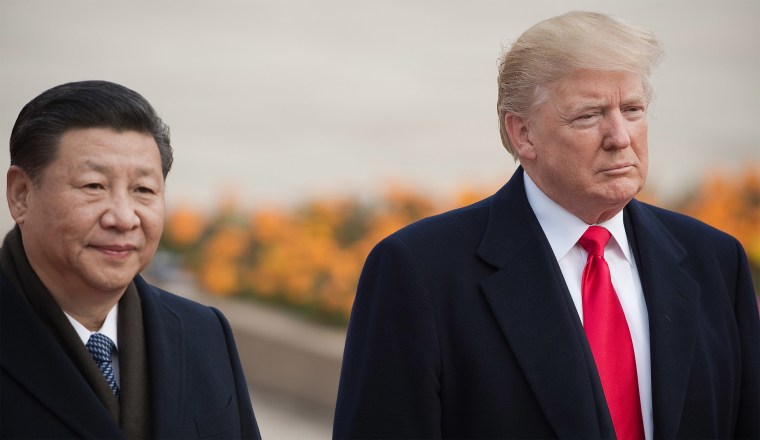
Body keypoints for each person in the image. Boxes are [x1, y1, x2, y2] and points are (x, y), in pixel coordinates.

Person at [334, 11, 759, 439]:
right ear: (523, 134)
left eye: (632, 110)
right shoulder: (419, 271)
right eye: (589, 116)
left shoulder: (716, 260)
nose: (619, 136)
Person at [0, 80, 261, 439]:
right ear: (21, 195)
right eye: (94, 186)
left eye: (143, 190)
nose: (123, 217)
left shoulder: (203, 333)